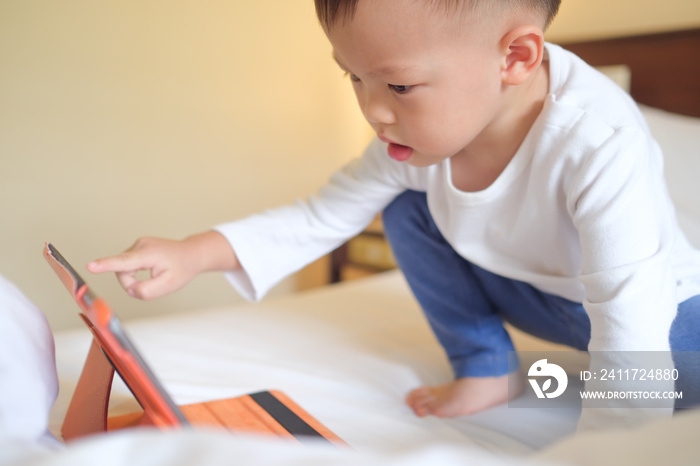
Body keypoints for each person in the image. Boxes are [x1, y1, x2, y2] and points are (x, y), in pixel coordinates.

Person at [88, 0, 700, 423]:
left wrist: (614, 447)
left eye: (398, 86)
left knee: (672, 402)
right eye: (354, 78)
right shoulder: (413, 146)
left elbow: (629, 315)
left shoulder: (597, 140)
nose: (374, 111)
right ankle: (487, 369)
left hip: (665, 319)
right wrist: (192, 253)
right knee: (408, 209)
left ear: (515, 58)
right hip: (547, 302)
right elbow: (323, 215)